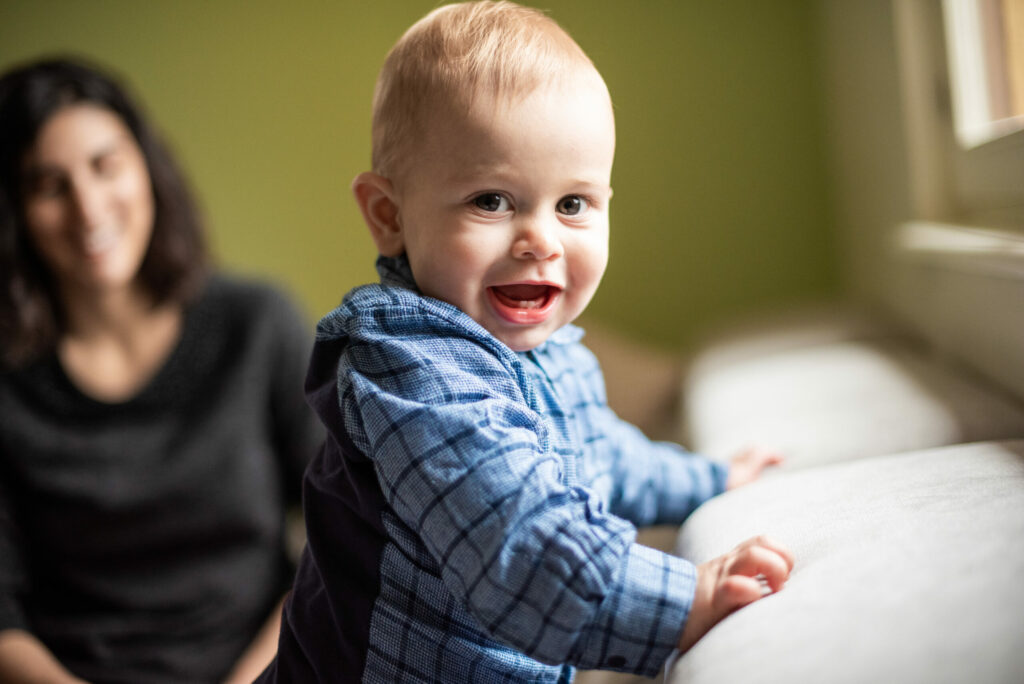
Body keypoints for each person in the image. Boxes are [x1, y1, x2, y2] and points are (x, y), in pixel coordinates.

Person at [259, 2, 793, 682]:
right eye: (492, 200)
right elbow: (516, 534)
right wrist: (683, 600)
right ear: (389, 216)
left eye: (573, 204)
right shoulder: (407, 368)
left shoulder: (556, 352)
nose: (540, 239)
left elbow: (609, 459)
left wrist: (711, 479)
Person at [0, 57, 322, 684]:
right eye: (48, 184)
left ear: (146, 166)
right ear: (15, 212)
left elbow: (340, 537)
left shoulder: (257, 326)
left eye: (105, 165)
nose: (88, 209)